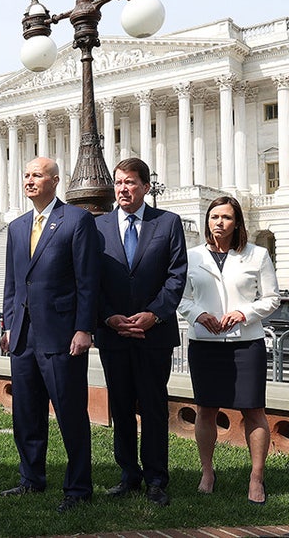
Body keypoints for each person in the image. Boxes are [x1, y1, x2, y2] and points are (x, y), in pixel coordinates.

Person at [0, 157, 100, 513]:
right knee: (26, 414)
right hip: (23, 337)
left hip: (62, 336)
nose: (29, 180)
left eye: (37, 175)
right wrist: (8, 325)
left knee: (70, 413)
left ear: (55, 181)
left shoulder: (77, 220)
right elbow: (13, 283)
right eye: (26, 175)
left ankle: (78, 487)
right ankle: (31, 478)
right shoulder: (16, 227)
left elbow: (88, 280)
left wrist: (84, 328)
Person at [94, 158, 187, 507]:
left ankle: (156, 479)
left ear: (146, 186)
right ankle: (128, 475)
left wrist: (154, 314)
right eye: (118, 183)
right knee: (119, 405)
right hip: (114, 334)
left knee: (153, 406)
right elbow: (91, 280)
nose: (123, 189)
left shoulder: (168, 223)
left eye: (130, 182)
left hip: (154, 334)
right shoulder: (98, 227)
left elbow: (176, 276)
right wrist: (108, 317)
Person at [178, 195, 279, 505]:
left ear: (237, 223)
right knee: (205, 410)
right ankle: (207, 472)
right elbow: (181, 298)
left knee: (253, 411)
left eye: (226, 217)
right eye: (214, 217)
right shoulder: (192, 256)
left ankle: (256, 477)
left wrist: (244, 313)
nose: (219, 222)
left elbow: (272, 298)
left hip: (246, 344)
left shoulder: (257, 255)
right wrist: (199, 315)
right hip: (205, 343)